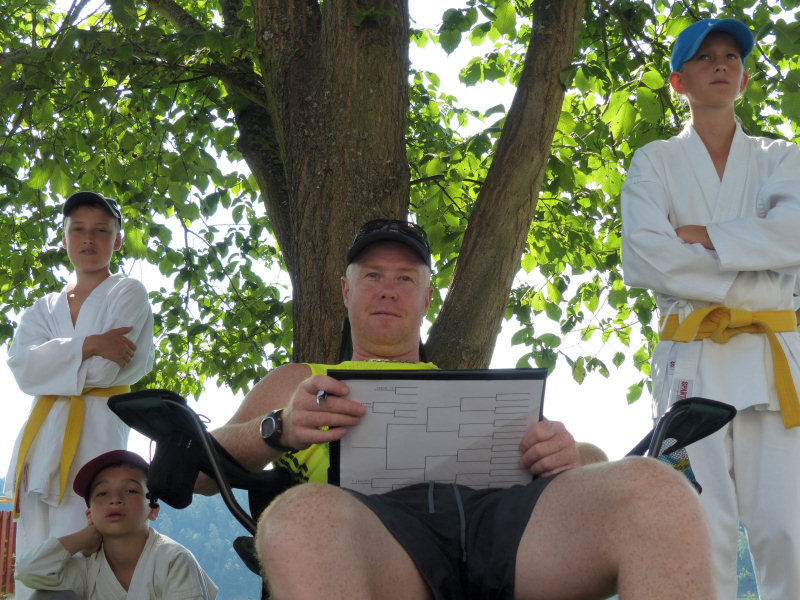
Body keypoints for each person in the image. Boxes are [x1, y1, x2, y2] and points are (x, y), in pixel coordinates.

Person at [201, 218, 715, 599]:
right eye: (373, 275)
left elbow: (594, 464)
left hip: (499, 528)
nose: (388, 291)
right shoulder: (302, 380)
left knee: (656, 489)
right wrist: (278, 428)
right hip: (375, 534)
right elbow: (201, 472)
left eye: (406, 279)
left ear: (427, 298)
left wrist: (571, 454)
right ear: (345, 290)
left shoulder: (471, 389)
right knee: (298, 518)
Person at [621, 17, 800, 599]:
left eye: (731, 56)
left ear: (744, 78)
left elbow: (796, 235)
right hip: (693, 360)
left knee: (788, 531)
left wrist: (707, 237)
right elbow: (647, 257)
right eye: (704, 57)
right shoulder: (654, 161)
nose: (721, 63)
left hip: (772, 364)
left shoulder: (782, 157)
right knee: (703, 531)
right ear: (678, 81)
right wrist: (759, 275)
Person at [3, 191, 155, 600]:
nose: (89, 238)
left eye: (101, 230)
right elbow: (21, 368)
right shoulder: (44, 306)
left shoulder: (129, 292)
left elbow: (107, 371)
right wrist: (90, 344)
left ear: (117, 241)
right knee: (38, 548)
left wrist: (54, 365)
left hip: (98, 431)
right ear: (64, 238)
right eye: (78, 229)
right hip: (41, 439)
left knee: (91, 532)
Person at [16, 450, 218, 599]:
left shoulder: (173, 560)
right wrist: (82, 538)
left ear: (153, 510)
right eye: (102, 493)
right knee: (46, 596)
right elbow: (28, 571)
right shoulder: (87, 568)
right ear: (90, 515)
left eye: (131, 490)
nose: (115, 499)